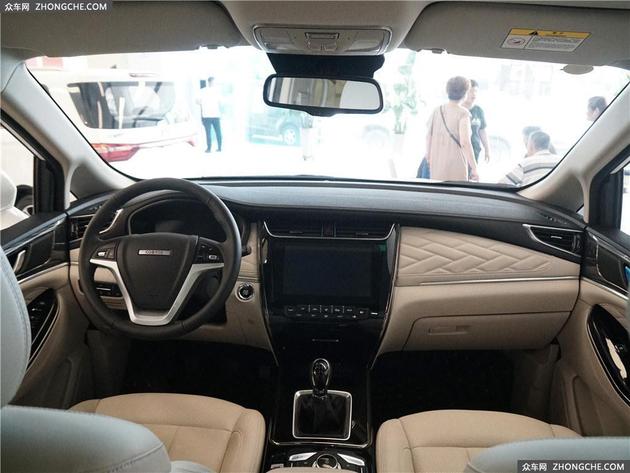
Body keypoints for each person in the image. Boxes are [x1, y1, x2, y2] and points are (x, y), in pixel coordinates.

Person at [425, 76, 478, 182]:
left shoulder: (437, 110)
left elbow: (428, 136)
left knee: (438, 190)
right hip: (456, 166)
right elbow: (465, 142)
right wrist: (474, 168)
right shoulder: (463, 113)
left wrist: (429, 157)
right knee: (456, 192)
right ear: (465, 93)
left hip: (437, 164)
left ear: (447, 91)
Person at [462, 79, 490, 163]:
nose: (473, 94)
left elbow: (482, 131)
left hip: (475, 151)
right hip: (460, 151)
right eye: (470, 91)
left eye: (475, 91)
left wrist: (487, 149)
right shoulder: (458, 110)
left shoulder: (478, 110)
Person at [199, 76, 222, 152]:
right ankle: (218, 148)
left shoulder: (203, 91)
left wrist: (203, 104)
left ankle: (210, 149)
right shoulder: (217, 91)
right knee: (217, 132)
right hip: (214, 115)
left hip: (208, 115)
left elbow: (198, 101)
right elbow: (220, 103)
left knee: (209, 133)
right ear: (211, 82)